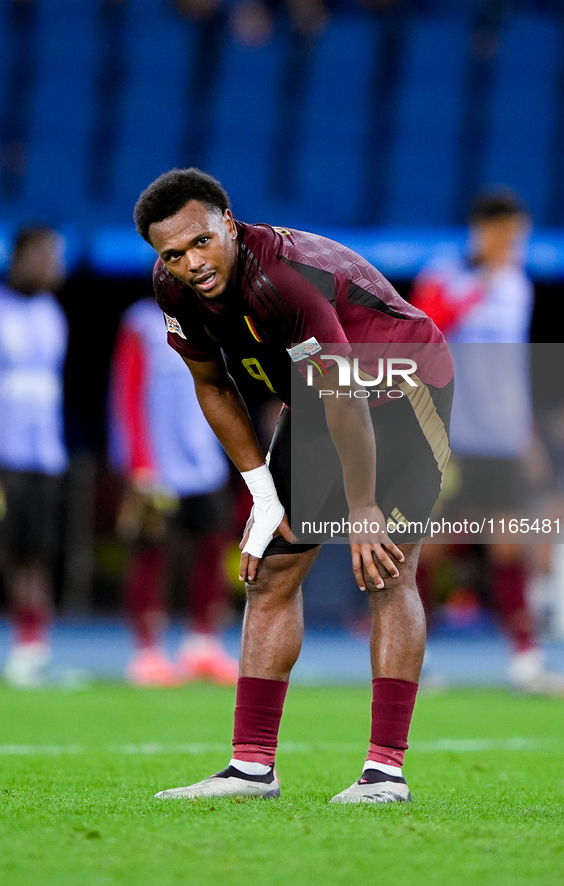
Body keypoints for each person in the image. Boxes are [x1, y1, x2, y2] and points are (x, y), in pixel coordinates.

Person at [132, 167, 453, 803]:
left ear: (229, 222)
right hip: (321, 401)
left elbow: (343, 399)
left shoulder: (282, 280)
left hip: (404, 386)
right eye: (172, 254)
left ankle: (385, 772)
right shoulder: (174, 289)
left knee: (386, 567)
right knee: (271, 571)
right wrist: (262, 491)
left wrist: (361, 506)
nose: (190, 263)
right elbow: (213, 385)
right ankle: (252, 768)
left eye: (201, 242)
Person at [411, 189, 564, 696]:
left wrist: (525, 432)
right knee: (435, 550)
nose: (516, 245)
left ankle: (527, 663)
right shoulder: (445, 276)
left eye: (520, 236)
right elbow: (425, 333)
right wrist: (481, 281)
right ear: (483, 230)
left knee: (510, 547)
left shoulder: (518, 286)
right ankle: (416, 658)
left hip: (502, 439)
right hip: (451, 435)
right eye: (508, 233)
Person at [110, 296, 240, 686]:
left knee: (212, 547)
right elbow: (126, 394)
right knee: (151, 553)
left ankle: (202, 645)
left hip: (204, 460)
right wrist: (138, 464)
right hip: (157, 463)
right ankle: (146, 651)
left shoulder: (212, 318)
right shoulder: (141, 323)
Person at [0, 227, 69, 687]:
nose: (53, 267)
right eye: (45, 256)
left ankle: (33, 644)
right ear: (20, 257)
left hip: (44, 451)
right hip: (5, 449)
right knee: (8, 547)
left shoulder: (53, 313)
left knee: (38, 547)